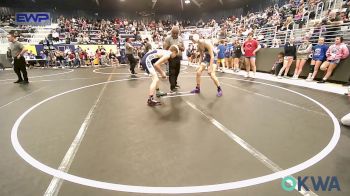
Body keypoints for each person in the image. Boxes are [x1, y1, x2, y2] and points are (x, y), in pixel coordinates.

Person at [163, 26, 184, 92]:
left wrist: (180, 47)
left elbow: (183, 49)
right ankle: (172, 86)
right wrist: (165, 59)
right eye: (173, 33)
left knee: (177, 72)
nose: (175, 35)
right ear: (171, 32)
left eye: (176, 33)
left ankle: (174, 83)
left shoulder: (180, 39)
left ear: (178, 33)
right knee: (172, 72)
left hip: (178, 58)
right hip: (171, 58)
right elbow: (165, 49)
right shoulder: (168, 39)